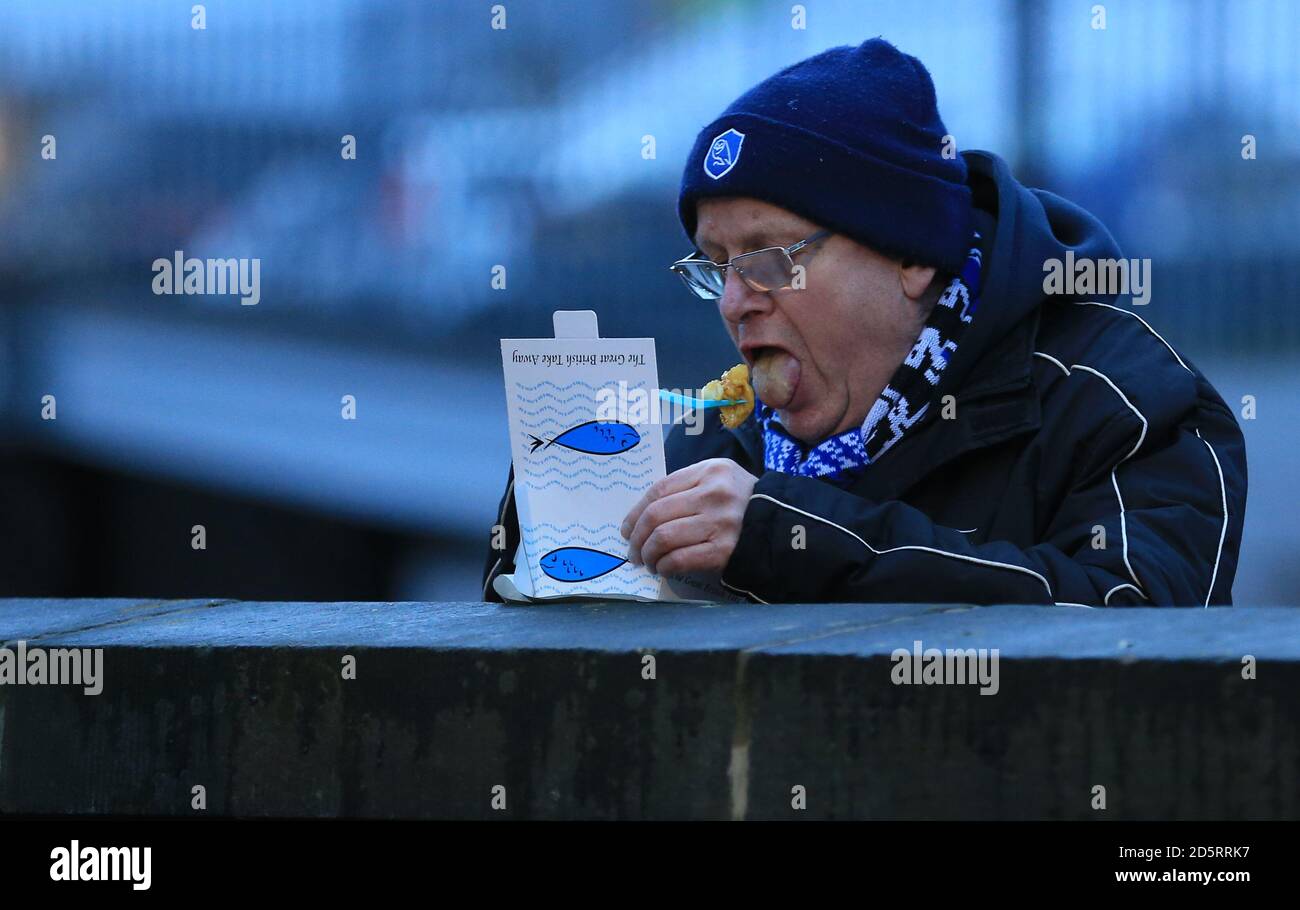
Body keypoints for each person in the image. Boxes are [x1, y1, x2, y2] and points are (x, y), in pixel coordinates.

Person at [483, 38, 1246, 607]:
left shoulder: (1126, 403)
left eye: (770, 255)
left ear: (912, 253)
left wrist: (797, 537)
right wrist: (545, 539)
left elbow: (1137, 636)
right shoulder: (713, 443)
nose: (734, 300)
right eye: (715, 265)